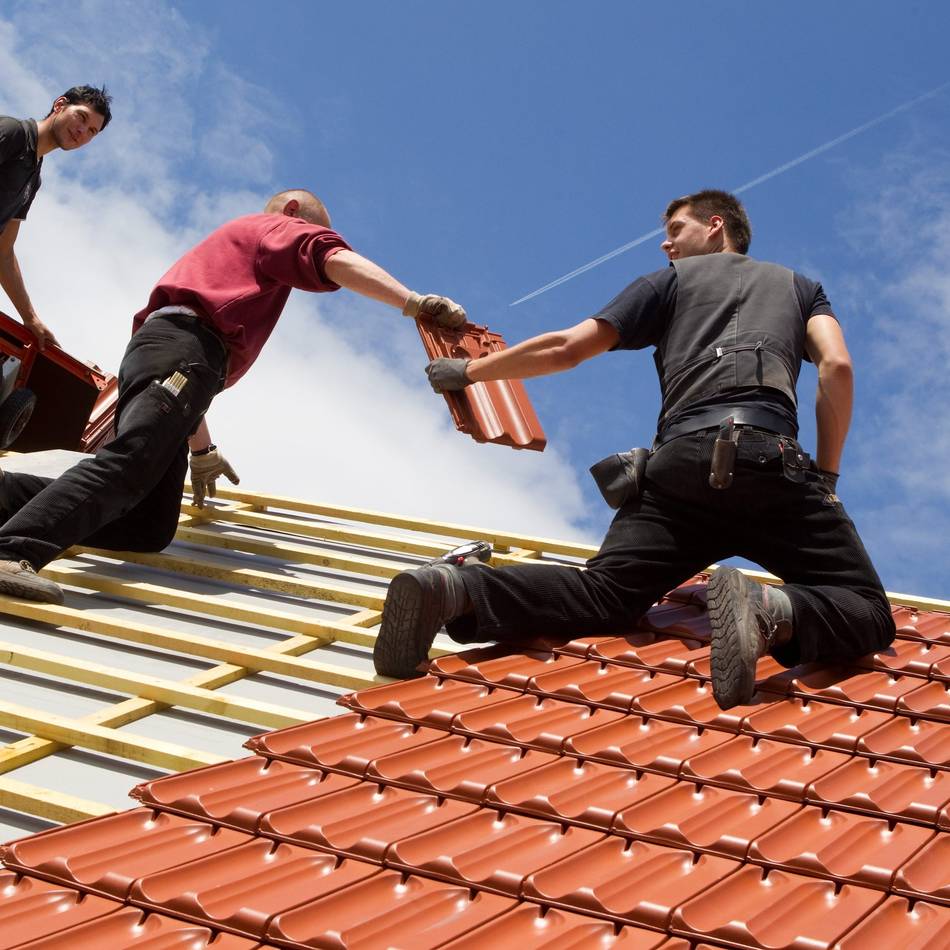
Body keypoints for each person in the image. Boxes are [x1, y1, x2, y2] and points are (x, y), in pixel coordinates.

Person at [374, 189, 896, 710]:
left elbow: (567, 348)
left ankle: (452, 590)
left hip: (678, 471)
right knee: (867, 609)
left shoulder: (665, 285)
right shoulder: (803, 289)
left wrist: (468, 370)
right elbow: (837, 367)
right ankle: (772, 608)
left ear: (716, 226)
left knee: (604, 594)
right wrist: (826, 478)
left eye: (675, 230)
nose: (666, 245)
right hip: (768, 462)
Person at [0, 189, 466, 605]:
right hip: (183, 351)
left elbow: (184, 379)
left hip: (170, 355)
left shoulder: (227, 259)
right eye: (313, 229)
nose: (311, 241)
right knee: (131, 460)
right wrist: (413, 302)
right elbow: (327, 258)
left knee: (149, 522)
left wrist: (201, 450)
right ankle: (12, 551)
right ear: (290, 212)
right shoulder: (274, 227)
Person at [0, 85, 112, 348]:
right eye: (82, 117)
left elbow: (3, 252)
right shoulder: (12, 132)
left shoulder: (32, 179)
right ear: (60, 105)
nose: (82, 132)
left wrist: (31, 318)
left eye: (92, 131)